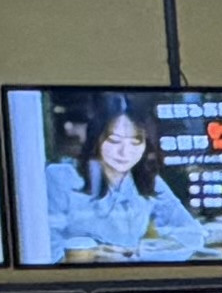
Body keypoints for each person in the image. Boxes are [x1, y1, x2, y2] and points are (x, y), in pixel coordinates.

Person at [44, 95, 213, 261]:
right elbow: (45, 247)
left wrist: (137, 254)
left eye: (135, 142)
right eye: (114, 141)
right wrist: (91, 254)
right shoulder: (61, 177)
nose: (125, 152)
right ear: (96, 139)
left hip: (132, 274)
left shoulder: (147, 180)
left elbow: (192, 235)